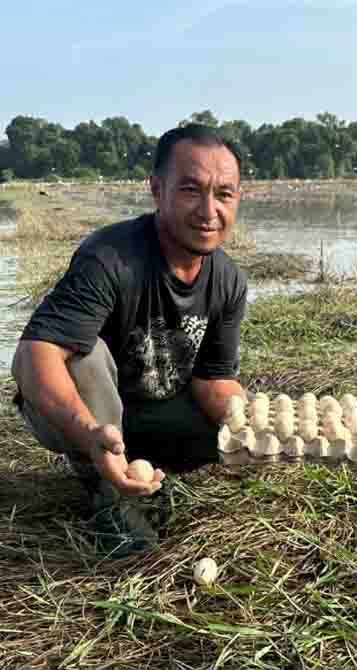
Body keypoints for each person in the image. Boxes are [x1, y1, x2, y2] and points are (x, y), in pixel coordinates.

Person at [11, 124, 249, 557]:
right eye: (191, 190)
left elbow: (214, 381)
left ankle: (133, 463)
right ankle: (109, 495)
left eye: (225, 194)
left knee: (227, 440)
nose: (209, 210)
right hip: (85, 412)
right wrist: (89, 432)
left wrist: (256, 424)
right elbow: (33, 355)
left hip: (148, 410)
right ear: (157, 190)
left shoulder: (228, 280)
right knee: (83, 354)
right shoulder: (111, 259)